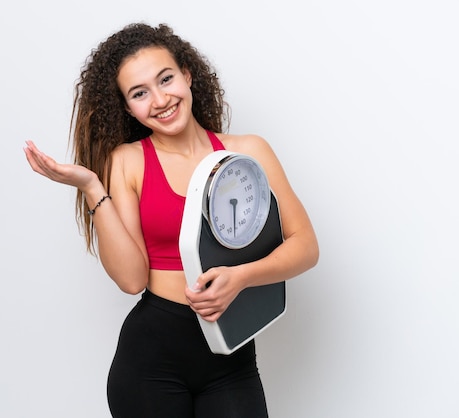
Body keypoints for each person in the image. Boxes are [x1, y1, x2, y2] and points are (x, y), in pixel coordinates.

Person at [24, 22, 318, 418]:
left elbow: (305, 246)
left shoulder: (249, 153)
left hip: (231, 357)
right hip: (151, 363)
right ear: (127, 107)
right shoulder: (127, 162)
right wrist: (93, 188)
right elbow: (131, 280)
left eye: (166, 79)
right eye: (139, 93)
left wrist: (241, 277)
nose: (160, 99)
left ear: (187, 74)